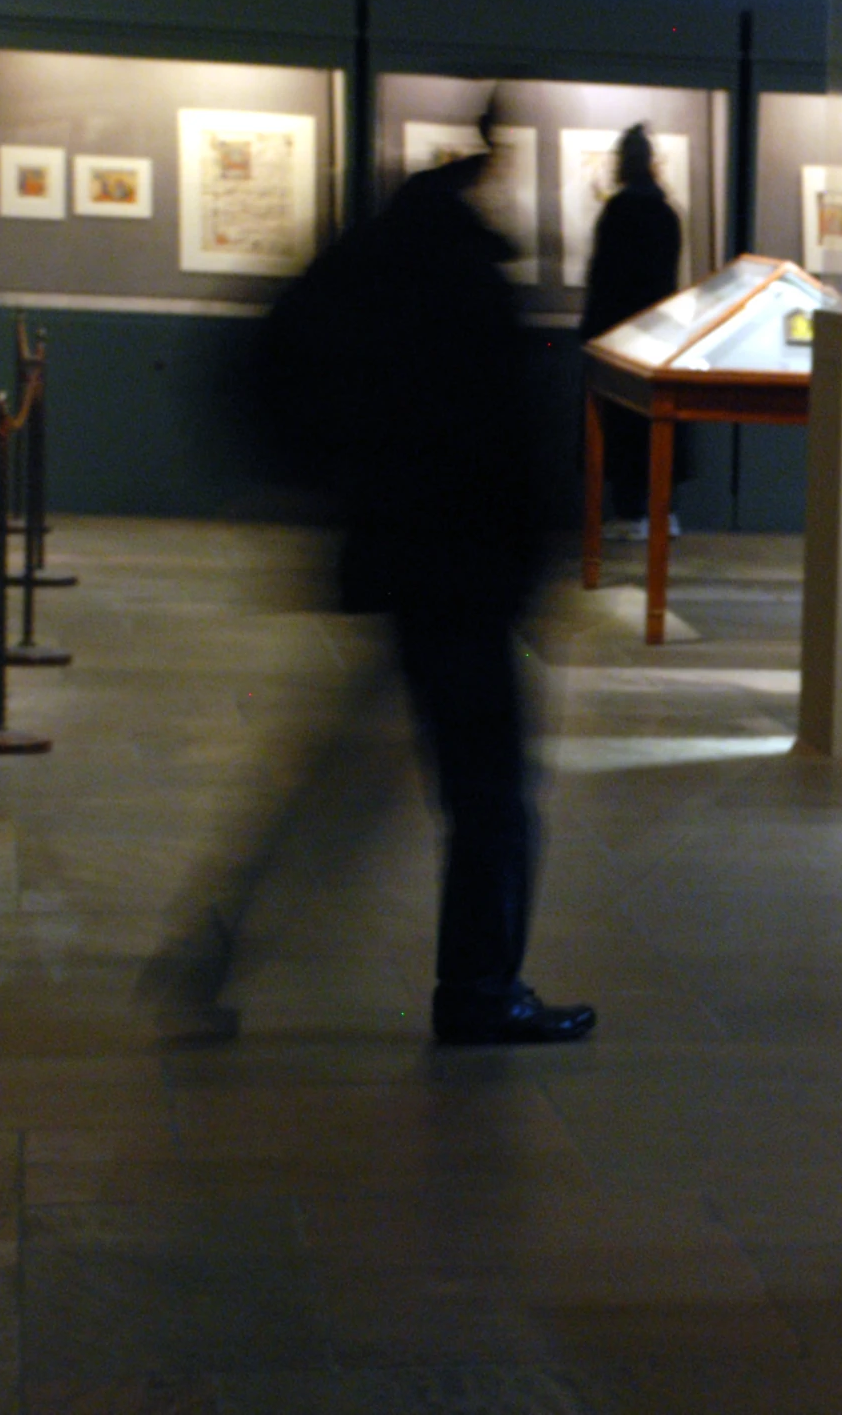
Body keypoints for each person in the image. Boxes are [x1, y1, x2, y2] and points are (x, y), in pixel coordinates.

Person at [213, 116, 595, 1047]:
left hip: (402, 559)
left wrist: (334, 491)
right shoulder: (459, 277)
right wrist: (534, 554)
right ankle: (478, 989)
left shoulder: (372, 262)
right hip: (462, 571)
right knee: (491, 798)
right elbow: (502, 435)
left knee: (351, 785)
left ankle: (217, 946)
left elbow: (271, 369)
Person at [579, 124, 683, 542]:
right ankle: (663, 510)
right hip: (659, 333)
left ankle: (630, 512)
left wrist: (592, 330)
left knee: (622, 425)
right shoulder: (666, 212)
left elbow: (602, 276)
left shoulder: (618, 212)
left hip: (618, 333)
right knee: (657, 423)